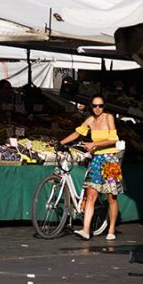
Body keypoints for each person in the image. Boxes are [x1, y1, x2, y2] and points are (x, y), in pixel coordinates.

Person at [60, 95, 124, 241]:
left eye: (100, 105)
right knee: (90, 195)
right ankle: (86, 229)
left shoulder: (109, 118)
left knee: (111, 197)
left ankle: (112, 228)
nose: (97, 108)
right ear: (91, 106)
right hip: (96, 160)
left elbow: (114, 139)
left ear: (104, 106)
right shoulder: (90, 120)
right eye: (94, 106)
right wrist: (61, 142)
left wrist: (94, 144)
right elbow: (77, 133)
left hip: (109, 160)